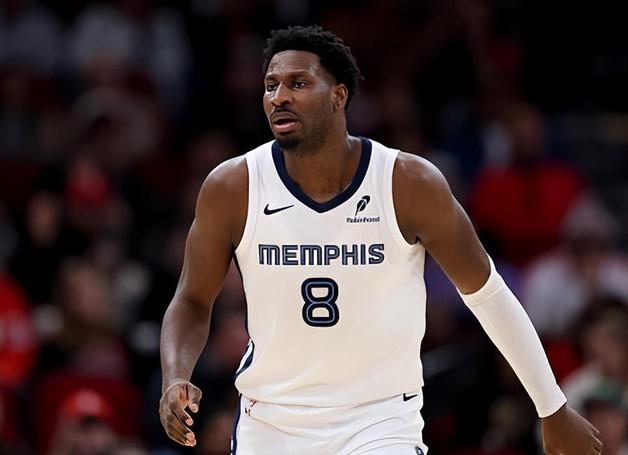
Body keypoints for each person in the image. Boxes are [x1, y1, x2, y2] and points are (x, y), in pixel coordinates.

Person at [159, 25, 602, 454]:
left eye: (298, 83)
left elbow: (487, 294)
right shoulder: (233, 187)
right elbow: (192, 300)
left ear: (338, 96)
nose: (279, 97)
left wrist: (551, 406)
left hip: (380, 420)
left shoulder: (407, 183)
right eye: (271, 85)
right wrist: (175, 375)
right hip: (271, 421)